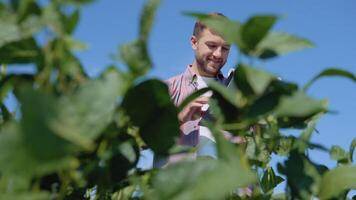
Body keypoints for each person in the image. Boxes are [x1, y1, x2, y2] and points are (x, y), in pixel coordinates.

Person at [165, 12, 235, 161]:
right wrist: (178, 118)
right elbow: (140, 141)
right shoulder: (168, 89)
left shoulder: (237, 94)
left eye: (225, 48)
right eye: (212, 45)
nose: (218, 54)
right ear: (194, 42)